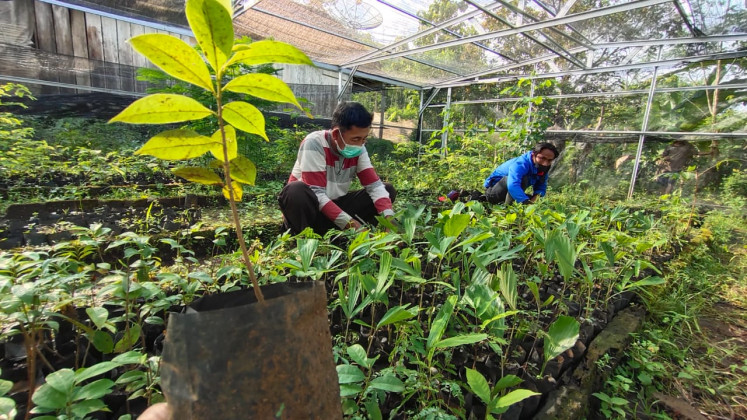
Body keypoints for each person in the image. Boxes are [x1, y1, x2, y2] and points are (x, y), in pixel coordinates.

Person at [278, 101, 396, 235]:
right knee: (295, 190)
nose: (361, 144)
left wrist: (389, 221)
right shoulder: (314, 143)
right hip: (309, 211)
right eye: (356, 139)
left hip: (333, 209)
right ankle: (303, 237)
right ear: (335, 134)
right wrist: (352, 224)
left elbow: (374, 186)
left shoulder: (359, 148)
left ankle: (343, 233)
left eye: (364, 138)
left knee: (387, 189)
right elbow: (317, 193)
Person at [484, 142, 559, 205]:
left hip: (509, 194)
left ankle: (512, 206)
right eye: (542, 158)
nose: (545, 163)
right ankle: (507, 210)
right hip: (493, 194)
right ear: (533, 155)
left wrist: (534, 200)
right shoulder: (520, 164)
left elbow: (541, 186)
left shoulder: (543, 167)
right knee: (523, 179)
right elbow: (513, 185)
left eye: (549, 160)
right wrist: (526, 203)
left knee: (541, 203)